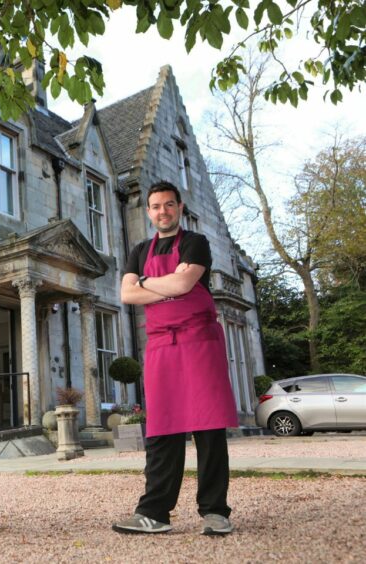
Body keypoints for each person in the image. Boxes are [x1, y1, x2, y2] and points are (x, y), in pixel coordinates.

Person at [112, 181, 239, 536]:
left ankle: (215, 511)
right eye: (155, 206)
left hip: (199, 341)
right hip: (161, 345)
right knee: (161, 428)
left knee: (209, 426)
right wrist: (163, 280)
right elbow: (126, 293)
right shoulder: (138, 250)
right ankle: (154, 512)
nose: (162, 211)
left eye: (169, 204)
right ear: (149, 211)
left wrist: (147, 283)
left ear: (179, 208)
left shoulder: (196, 243)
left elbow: (184, 286)